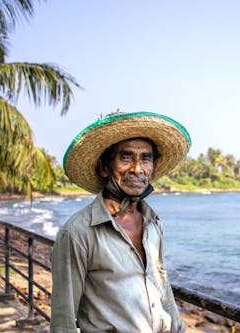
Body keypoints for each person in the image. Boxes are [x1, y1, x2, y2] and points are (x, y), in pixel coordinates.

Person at [51, 111, 191, 333]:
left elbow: (163, 289)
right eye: (126, 157)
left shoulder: (153, 223)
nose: (137, 168)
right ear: (104, 167)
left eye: (146, 158)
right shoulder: (78, 232)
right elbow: (63, 321)